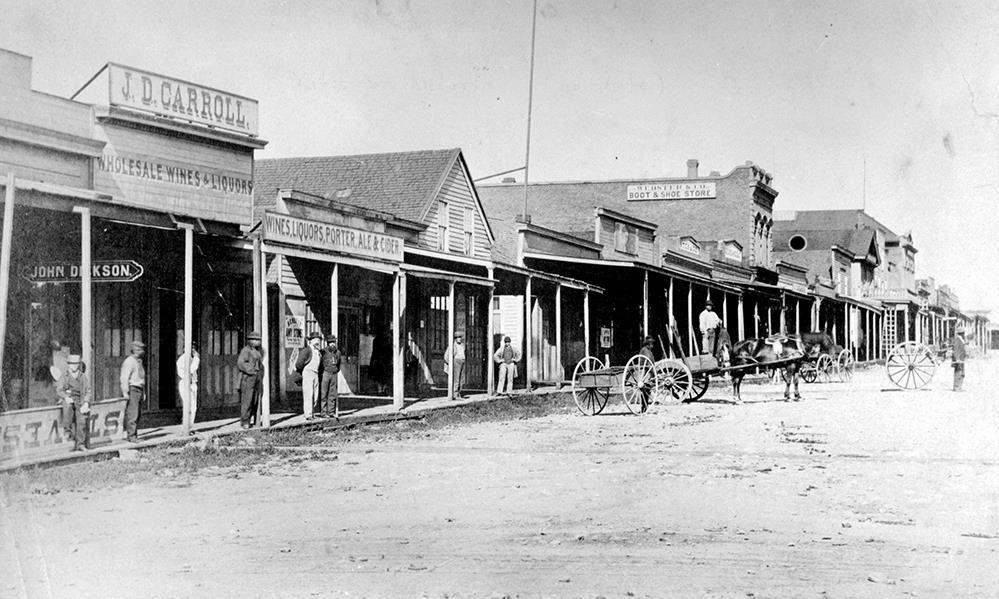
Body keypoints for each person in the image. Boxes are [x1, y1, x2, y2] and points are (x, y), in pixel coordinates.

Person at [57, 354, 90, 451]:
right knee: (67, 412)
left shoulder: (82, 376)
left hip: (80, 400)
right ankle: (68, 436)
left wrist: (86, 402)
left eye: (76, 364)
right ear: (68, 365)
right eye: (72, 364)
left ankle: (81, 444)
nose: (74, 366)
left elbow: (88, 390)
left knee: (82, 422)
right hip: (70, 399)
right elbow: (59, 390)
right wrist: (66, 397)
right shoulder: (65, 376)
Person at [119, 340, 146, 443]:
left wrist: (143, 392)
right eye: (139, 350)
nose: (141, 352)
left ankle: (135, 434)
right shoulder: (129, 362)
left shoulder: (138, 362)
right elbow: (124, 378)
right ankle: (131, 436)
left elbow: (141, 378)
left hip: (139, 388)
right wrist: (125, 392)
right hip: (132, 388)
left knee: (138, 413)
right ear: (135, 350)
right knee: (133, 413)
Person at [237, 331, 264, 429]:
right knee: (247, 400)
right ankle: (245, 421)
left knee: (255, 399)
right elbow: (241, 363)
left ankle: (252, 420)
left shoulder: (257, 351)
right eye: (255, 340)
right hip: (248, 378)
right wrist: (252, 371)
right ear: (250, 341)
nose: (258, 342)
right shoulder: (246, 350)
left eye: (258, 340)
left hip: (256, 377)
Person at [295, 331, 323, 419]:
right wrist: (303, 372)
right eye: (315, 339)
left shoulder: (318, 352)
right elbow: (299, 363)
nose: (317, 341)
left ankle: (312, 413)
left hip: (316, 374)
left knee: (315, 395)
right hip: (308, 373)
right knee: (308, 394)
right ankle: (308, 415)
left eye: (318, 339)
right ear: (310, 341)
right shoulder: (307, 350)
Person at [176, 342, 200, 430]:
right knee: (189, 406)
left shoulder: (190, 358)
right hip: (185, 384)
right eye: (191, 348)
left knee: (193, 407)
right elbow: (190, 370)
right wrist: (197, 359)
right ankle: (186, 427)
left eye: (194, 348)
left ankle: (189, 427)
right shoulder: (183, 359)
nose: (193, 350)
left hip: (192, 383)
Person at [320, 335, 342, 418]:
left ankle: (331, 411)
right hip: (325, 373)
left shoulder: (338, 352)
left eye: (333, 342)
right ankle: (323, 412)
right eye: (330, 342)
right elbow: (320, 364)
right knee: (324, 393)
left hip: (334, 374)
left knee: (332, 393)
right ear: (327, 343)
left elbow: (339, 363)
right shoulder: (323, 352)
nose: (332, 344)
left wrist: (335, 371)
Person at [443, 332, 466, 399]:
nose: (459, 339)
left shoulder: (462, 345)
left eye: (460, 337)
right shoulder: (452, 346)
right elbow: (446, 356)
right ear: (455, 339)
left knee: (461, 379)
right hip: (456, 361)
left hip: (462, 361)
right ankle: (455, 394)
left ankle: (459, 393)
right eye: (457, 338)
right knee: (456, 379)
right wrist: (451, 363)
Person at [951, 327, 967, 392]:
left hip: (961, 359)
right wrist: (957, 358)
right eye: (963, 333)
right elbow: (956, 350)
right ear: (961, 333)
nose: (964, 335)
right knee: (958, 372)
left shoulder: (961, 339)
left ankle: (959, 387)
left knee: (962, 373)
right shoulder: (958, 340)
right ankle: (956, 387)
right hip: (959, 359)